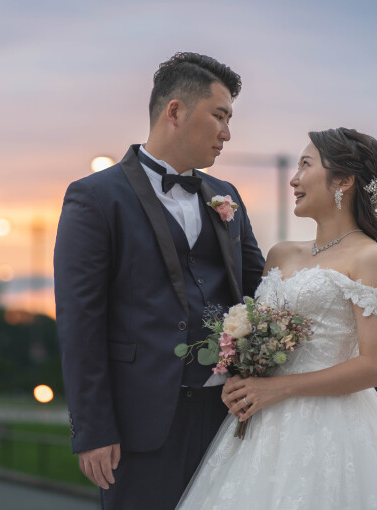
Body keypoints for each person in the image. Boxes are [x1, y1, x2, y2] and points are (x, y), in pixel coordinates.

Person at [176, 128, 377, 509]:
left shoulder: (368, 258)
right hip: (259, 426)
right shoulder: (280, 255)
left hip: (331, 424)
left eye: (305, 165)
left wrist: (278, 389)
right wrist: (243, 376)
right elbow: (261, 334)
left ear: (343, 181)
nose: (294, 178)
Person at [54, 52, 265, 510]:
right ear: (175, 111)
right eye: (220, 115)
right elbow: (79, 323)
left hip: (228, 417)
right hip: (139, 426)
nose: (227, 132)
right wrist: (93, 430)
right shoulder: (94, 198)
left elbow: (259, 291)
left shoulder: (226, 197)